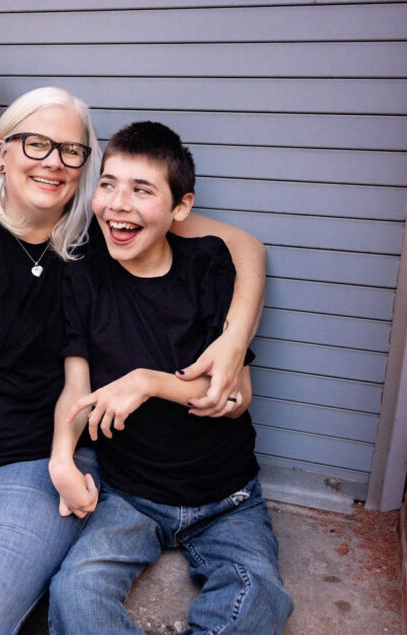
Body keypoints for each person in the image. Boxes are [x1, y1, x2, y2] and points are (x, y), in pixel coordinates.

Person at [0, 89, 267, 633]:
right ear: (4, 151)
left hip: (29, 463)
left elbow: (245, 247)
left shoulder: (103, 237)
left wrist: (234, 339)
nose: (52, 162)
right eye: (35, 144)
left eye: (70, 150)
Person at [48, 121, 293, 634]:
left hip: (227, 498)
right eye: (109, 183)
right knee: (76, 591)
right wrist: (62, 457)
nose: (118, 204)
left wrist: (148, 381)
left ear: (181, 208)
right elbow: (77, 387)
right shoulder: (83, 275)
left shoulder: (207, 267)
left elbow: (234, 397)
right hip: (128, 494)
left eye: (142, 191)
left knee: (259, 599)